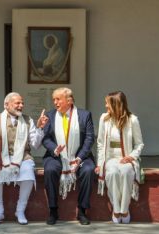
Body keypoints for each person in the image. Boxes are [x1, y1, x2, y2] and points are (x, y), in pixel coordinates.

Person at [0, 92, 48, 225]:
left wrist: (40, 127)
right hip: (0, 157)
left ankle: (20, 210)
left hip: (23, 157)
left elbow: (35, 144)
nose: (21, 106)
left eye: (22, 103)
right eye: (17, 103)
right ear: (6, 105)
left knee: (29, 174)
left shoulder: (28, 120)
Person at [42, 87, 95, 225]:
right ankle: (53, 210)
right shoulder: (50, 115)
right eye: (54, 99)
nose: (55, 102)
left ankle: (82, 210)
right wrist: (54, 149)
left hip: (80, 156)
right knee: (50, 170)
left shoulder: (84, 115)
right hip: (56, 156)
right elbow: (45, 138)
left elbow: (89, 139)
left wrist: (80, 157)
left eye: (58, 99)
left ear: (69, 100)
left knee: (89, 170)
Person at [95, 91, 144, 224]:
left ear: (116, 104)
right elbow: (100, 143)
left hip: (126, 158)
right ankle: (116, 209)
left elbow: (139, 144)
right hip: (110, 159)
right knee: (112, 173)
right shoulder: (104, 119)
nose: (105, 106)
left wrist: (131, 157)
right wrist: (100, 164)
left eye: (107, 103)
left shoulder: (132, 120)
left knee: (126, 172)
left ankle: (125, 209)